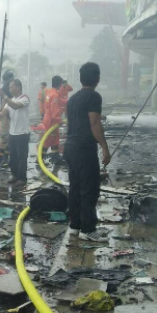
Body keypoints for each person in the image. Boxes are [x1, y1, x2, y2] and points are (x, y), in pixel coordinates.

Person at [64, 62, 111, 242]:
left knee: (75, 188)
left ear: (81, 78)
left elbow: (70, 124)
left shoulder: (72, 99)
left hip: (71, 146)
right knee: (89, 189)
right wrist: (105, 148)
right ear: (97, 78)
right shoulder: (94, 97)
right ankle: (88, 229)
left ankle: (75, 226)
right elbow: (94, 123)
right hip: (84, 149)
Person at [0, 79, 30, 185]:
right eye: (9, 87)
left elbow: (15, 106)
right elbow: (3, 113)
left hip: (22, 134)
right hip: (12, 133)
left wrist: (4, 96)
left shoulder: (24, 98)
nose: (9, 89)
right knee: (13, 157)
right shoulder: (10, 100)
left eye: (11, 87)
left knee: (22, 157)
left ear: (18, 87)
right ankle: (15, 175)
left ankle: (22, 178)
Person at [41, 76, 63, 161]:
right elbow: (54, 113)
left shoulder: (49, 92)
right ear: (59, 84)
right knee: (48, 139)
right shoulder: (54, 95)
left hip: (48, 118)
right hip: (52, 121)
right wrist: (59, 120)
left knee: (55, 138)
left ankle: (55, 157)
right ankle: (40, 158)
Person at [0, 70, 15, 167]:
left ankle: (5, 158)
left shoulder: (6, 88)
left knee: (8, 138)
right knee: (5, 138)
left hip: (8, 115)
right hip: (6, 116)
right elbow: (6, 103)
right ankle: (0, 158)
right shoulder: (6, 89)